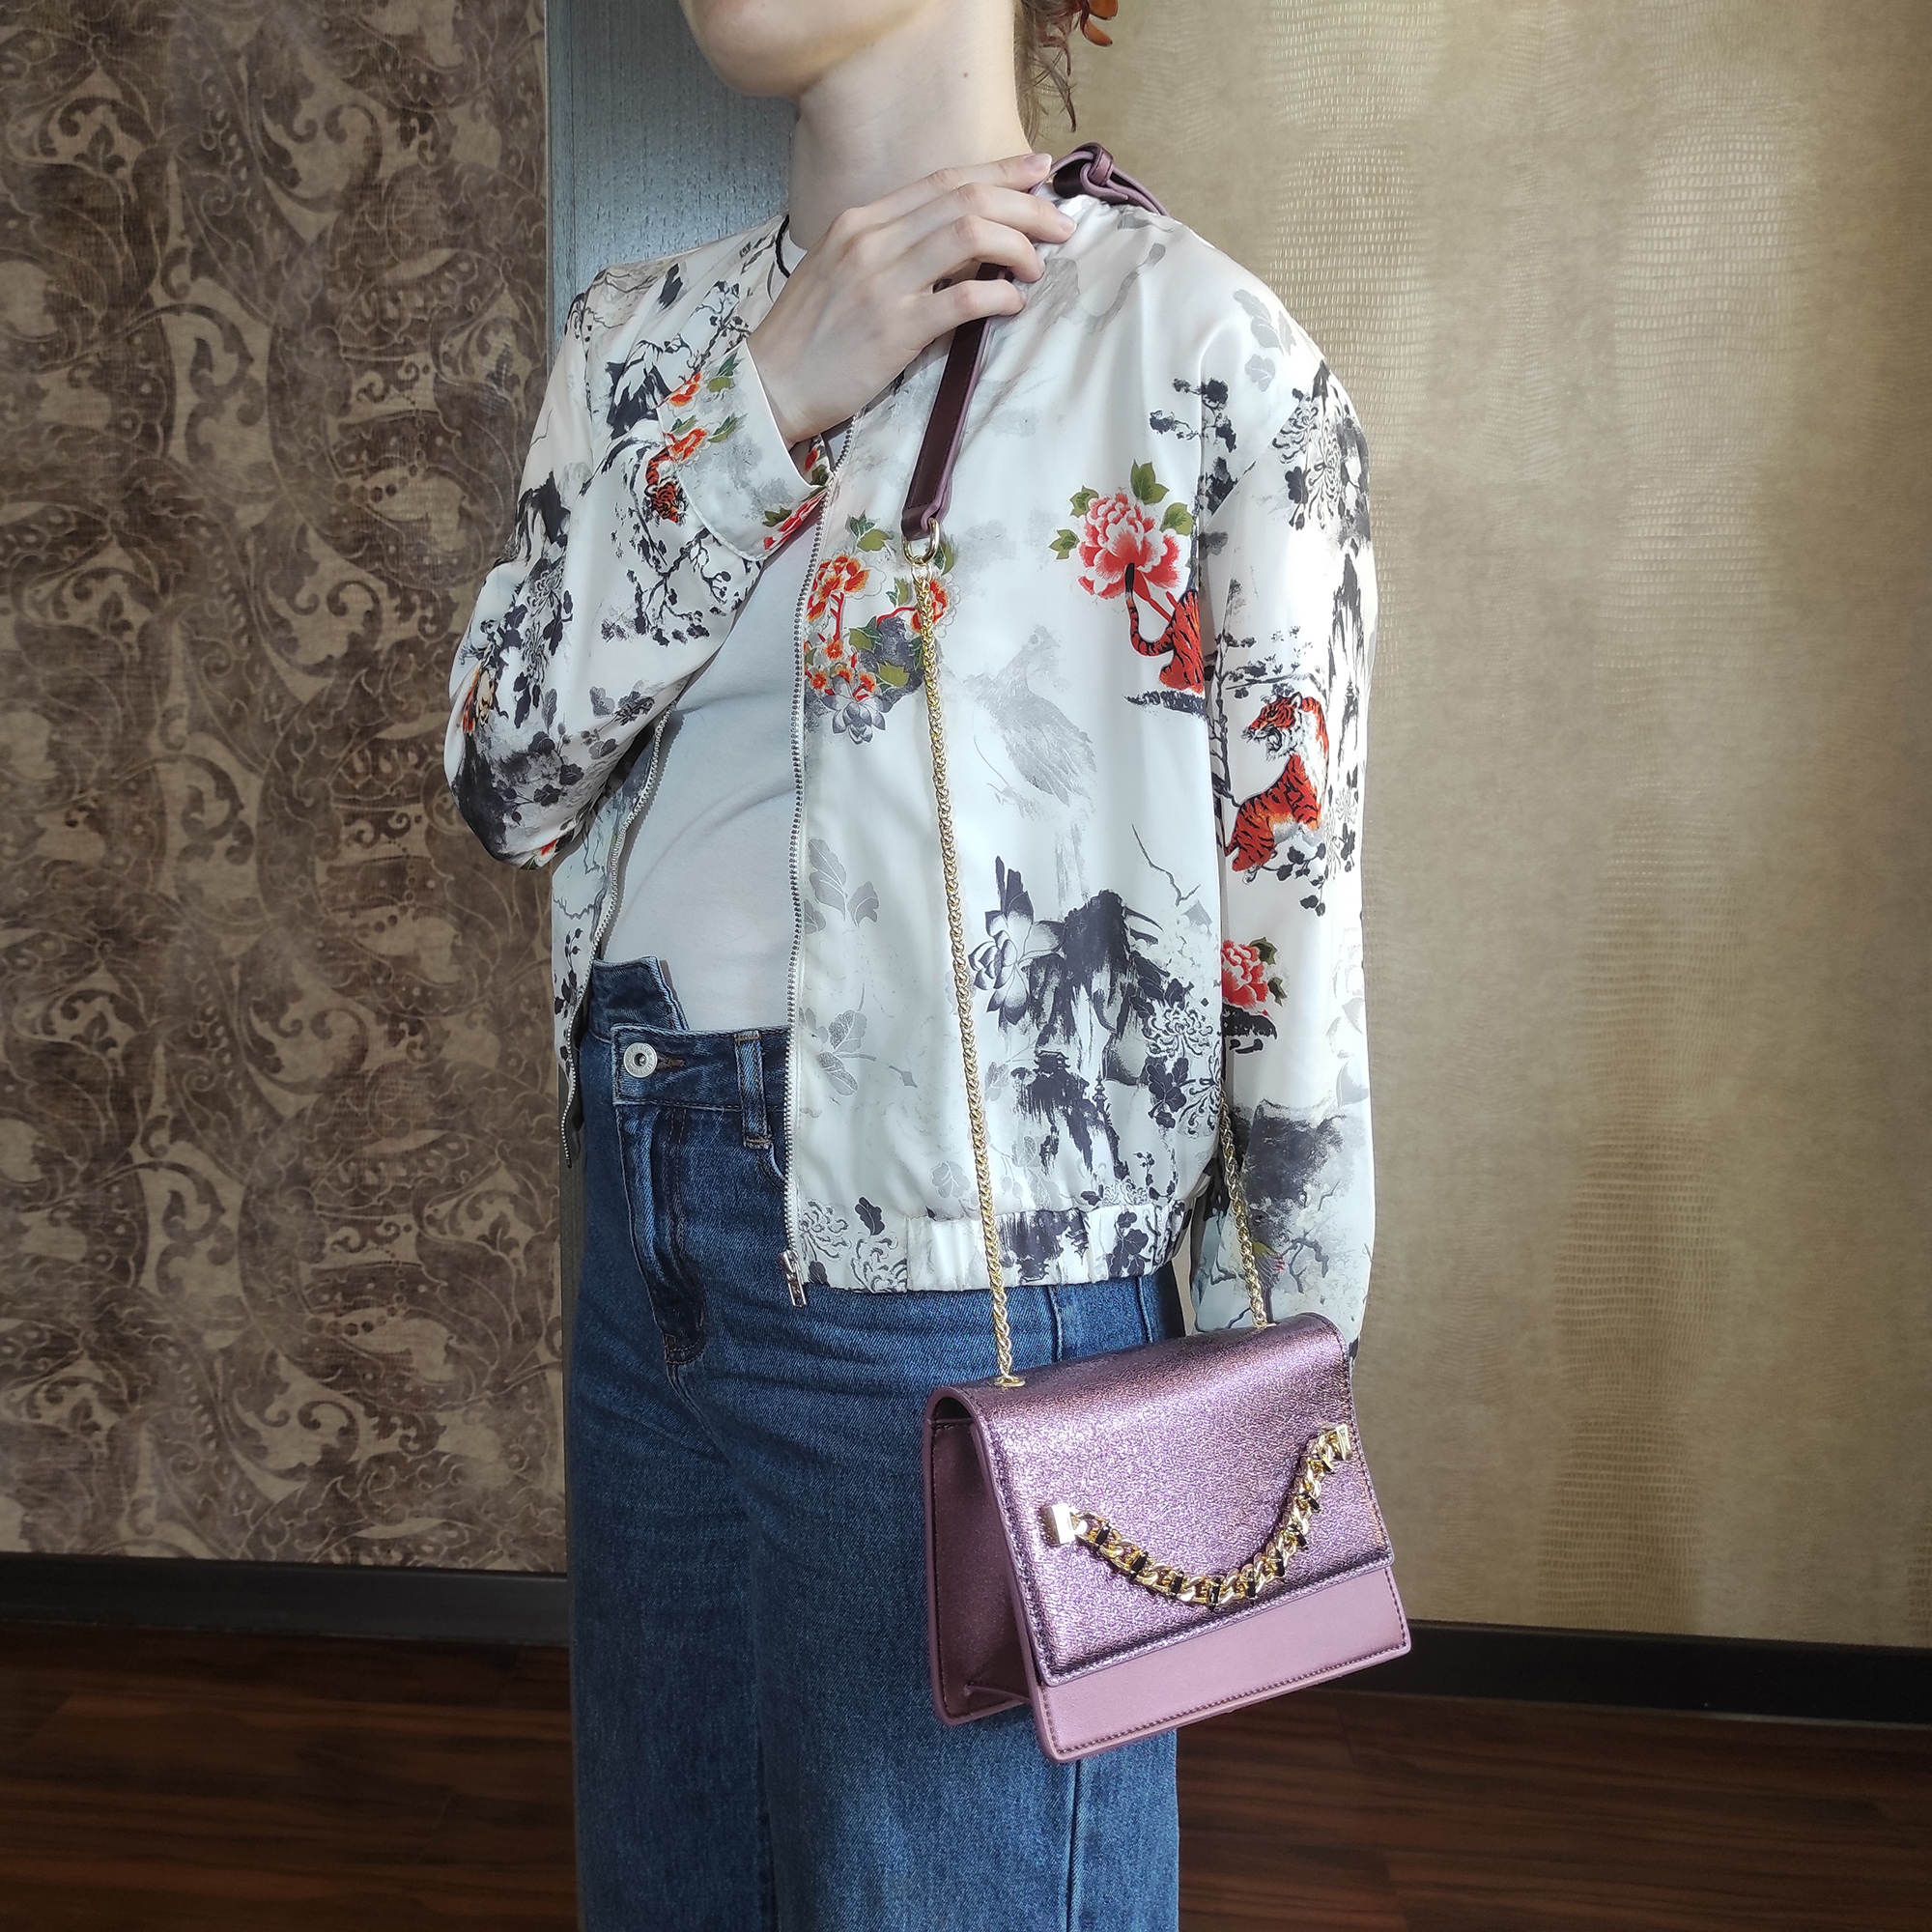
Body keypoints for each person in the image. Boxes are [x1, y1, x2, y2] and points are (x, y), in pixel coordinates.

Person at [443, 1, 1379, 1923]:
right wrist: (762, 402)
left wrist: (1260, 1390)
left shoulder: (1192, 349)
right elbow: (501, 774)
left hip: (981, 1289)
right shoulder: (638, 343)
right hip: (644, 1240)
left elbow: (1289, 926)